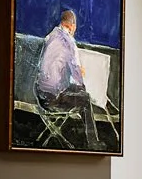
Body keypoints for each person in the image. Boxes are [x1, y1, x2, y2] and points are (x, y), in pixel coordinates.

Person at [37, 8, 97, 146]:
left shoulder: (50, 36)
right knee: (86, 99)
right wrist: (83, 87)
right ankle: (93, 142)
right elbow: (76, 73)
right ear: (72, 26)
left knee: (74, 90)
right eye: (75, 27)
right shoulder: (69, 42)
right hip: (53, 100)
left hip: (40, 95)